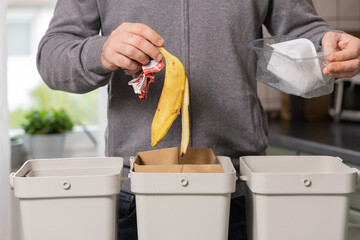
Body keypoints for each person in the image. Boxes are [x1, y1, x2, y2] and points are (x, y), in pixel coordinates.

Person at [37, 0, 360, 239]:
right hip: (136, 194)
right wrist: (102, 51)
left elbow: (304, 31)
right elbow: (52, 55)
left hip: (237, 192)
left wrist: (328, 45)